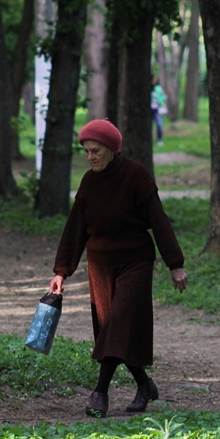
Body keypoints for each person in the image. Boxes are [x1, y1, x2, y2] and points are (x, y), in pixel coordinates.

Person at [49, 119, 188, 418]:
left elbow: (159, 221)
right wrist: (61, 272)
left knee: (118, 320)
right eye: (86, 151)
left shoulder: (136, 176)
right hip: (100, 265)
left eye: (95, 150)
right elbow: (75, 229)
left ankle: (100, 393)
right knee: (113, 328)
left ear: (112, 149)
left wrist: (175, 264)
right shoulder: (88, 183)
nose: (90, 157)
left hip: (135, 261)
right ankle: (144, 384)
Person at [151, 76, 167, 146]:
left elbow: (162, 98)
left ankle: (159, 140)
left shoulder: (158, 88)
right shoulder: (148, 88)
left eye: (156, 80)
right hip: (149, 109)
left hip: (156, 109)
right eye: (153, 80)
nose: (154, 81)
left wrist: (165, 98)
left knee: (159, 124)